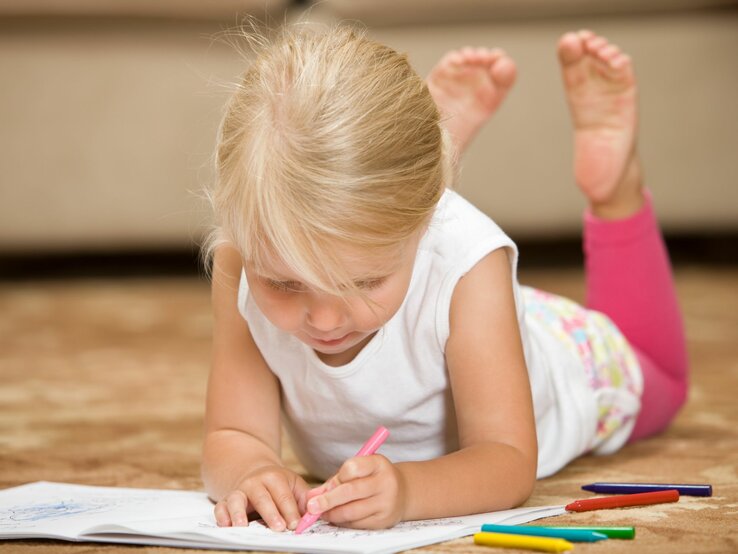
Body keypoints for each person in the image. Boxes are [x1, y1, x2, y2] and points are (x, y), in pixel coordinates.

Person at [200, 25, 688, 532]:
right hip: (458, 320)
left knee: (662, 379)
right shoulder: (242, 254)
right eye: (284, 284)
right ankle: (429, 157)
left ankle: (615, 192)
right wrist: (253, 471)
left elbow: (508, 460)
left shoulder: (470, 259)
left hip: (557, 354)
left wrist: (409, 492)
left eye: (364, 282)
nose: (323, 320)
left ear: (422, 226)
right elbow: (232, 434)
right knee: (434, 295)